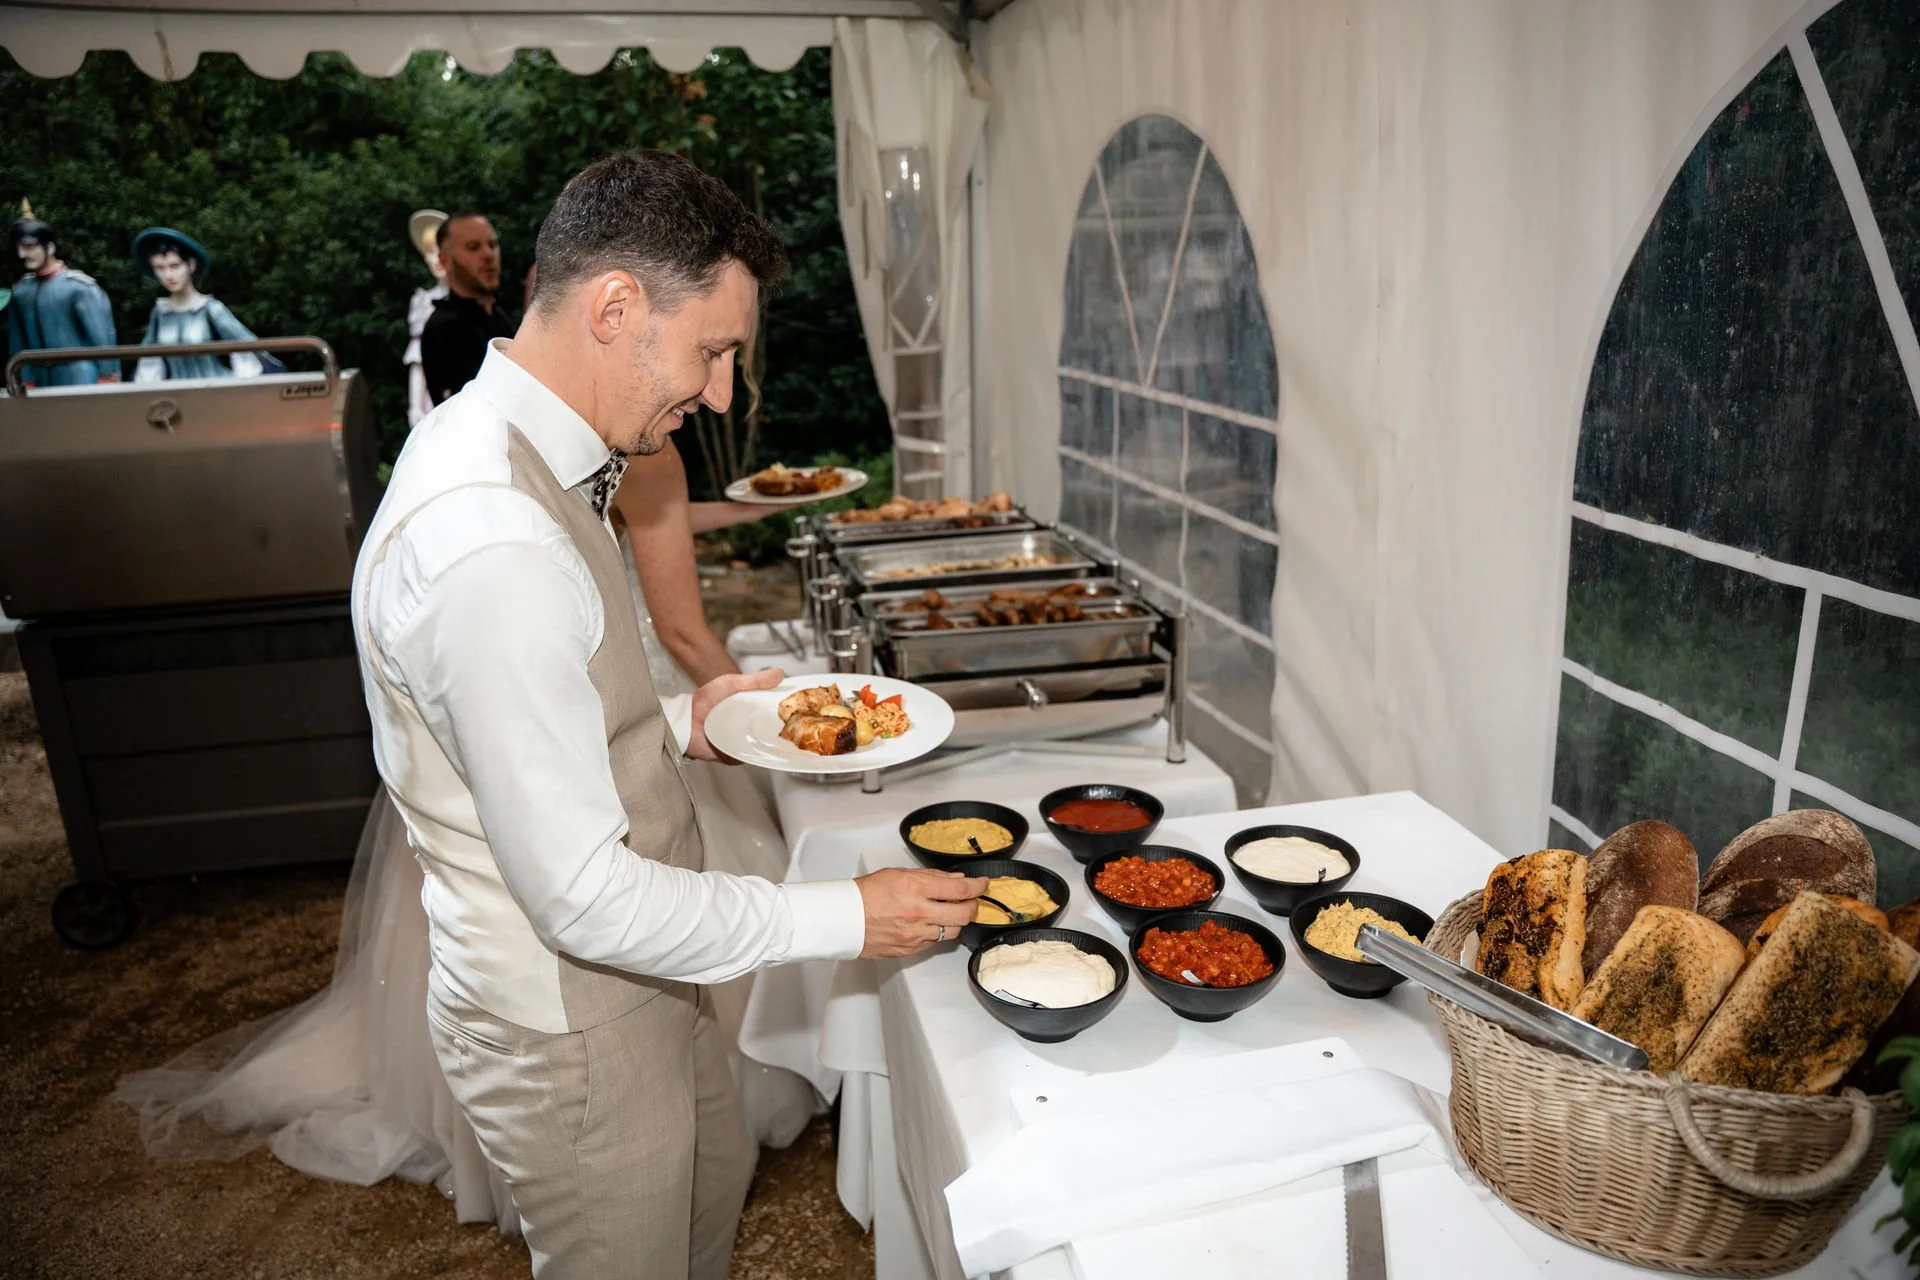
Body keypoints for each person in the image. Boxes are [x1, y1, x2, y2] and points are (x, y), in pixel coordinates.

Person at [355, 150, 983, 1279]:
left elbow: (534, 701)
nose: (723, 394)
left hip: (646, 983)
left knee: (712, 1188)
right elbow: (584, 899)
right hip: (576, 1023)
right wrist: (848, 915)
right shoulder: (491, 540)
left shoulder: (528, 448)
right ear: (614, 308)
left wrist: (684, 718)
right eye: (713, 350)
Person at [130, 227, 266, 381]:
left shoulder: (210, 308)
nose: (168, 275)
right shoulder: (160, 313)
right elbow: (148, 361)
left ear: (191, 265)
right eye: (160, 268)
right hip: (175, 391)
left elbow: (247, 346)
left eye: (175, 266)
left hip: (213, 388)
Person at [8, 204, 118, 387]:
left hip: (80, 376)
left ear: (49, 248)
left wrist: (107, 374)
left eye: (29, 247)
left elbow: (102, 338)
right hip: (39, 379)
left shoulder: (79, 287)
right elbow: (18, 342)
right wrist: (23, 378)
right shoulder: (21, 292)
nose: (22, 254)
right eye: (20, 248)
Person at [418, 210, 510, 405]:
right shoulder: (444, 328)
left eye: (492, 245)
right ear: (445, 260)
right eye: (473, 247)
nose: (488, 255)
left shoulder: (497, 315)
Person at [403, 209, 451, 427]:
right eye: (431, 251)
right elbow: (418, 360)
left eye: (441, 250)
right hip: (435, 404)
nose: (436, 258)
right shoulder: (424, 303)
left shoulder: (478, 303)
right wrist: (414, 406)